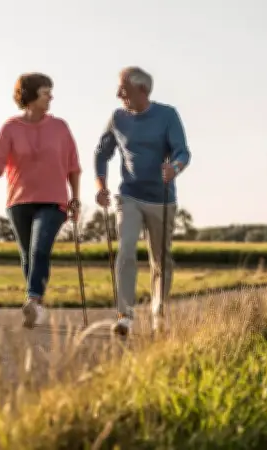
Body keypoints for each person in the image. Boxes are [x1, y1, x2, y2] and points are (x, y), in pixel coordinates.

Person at [93, 66, 191, 336]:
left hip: (162, 198)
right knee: (125, 251)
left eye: (122, 90)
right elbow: (101, 154)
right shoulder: (117, 118)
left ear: (142, 90)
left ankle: (159, 314)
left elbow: (182, 151)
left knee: (161, 260)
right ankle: (125, 315)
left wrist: (175, 168)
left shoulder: (167, 115)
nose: (117, 95)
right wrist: (101, 185)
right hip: (129, 195)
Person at [0, 73, 82, 328]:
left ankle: (33, 299)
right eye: (46, 92)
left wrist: (76, 198)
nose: (51, 97)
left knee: (39, 249)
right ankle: (37, 306)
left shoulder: (60, 127)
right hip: (19, 202)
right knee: (27, 255)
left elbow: (73, 166)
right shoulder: (10, 127)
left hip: (54, 201)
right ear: (31, 95)